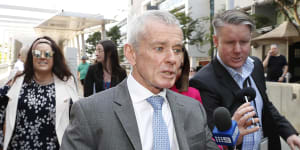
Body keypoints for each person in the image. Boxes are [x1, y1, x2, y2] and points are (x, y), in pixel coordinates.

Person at [61, 10, 219, 150]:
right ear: (131, 53)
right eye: (159, 48)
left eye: (177, 50)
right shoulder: (90, 113)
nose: (173, 59)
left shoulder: (194, 110)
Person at [190, 10, 300, 150]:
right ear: (216, 41)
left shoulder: (256, 65)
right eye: (230, 42)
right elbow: (208, 140)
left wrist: (289, 133)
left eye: (244, 42)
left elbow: (266, 106)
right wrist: (232, 136)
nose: (238, 50)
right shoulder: (201, 82)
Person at [0, 36, 79, 150]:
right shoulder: (17, 81)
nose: (42, 57)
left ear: (54, 57)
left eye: (47, 54)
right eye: (37, 53)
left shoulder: (67, 83)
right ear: (31, 57)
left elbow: (76, 120)